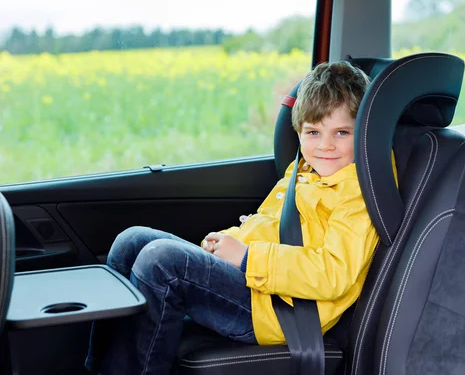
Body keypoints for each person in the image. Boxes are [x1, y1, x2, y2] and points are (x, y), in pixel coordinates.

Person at [85, 60, 380, 374]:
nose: (325, 146)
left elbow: (332, 274)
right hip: (259, 285)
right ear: (298, 131)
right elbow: (268, 224)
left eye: (342, 132)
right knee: (131, 241)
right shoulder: (305, 172)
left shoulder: (359, 192)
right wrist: (227, 242)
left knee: (162, 261)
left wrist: (247, 257)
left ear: (363, 133)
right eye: (313, 132)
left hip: (283, 311)